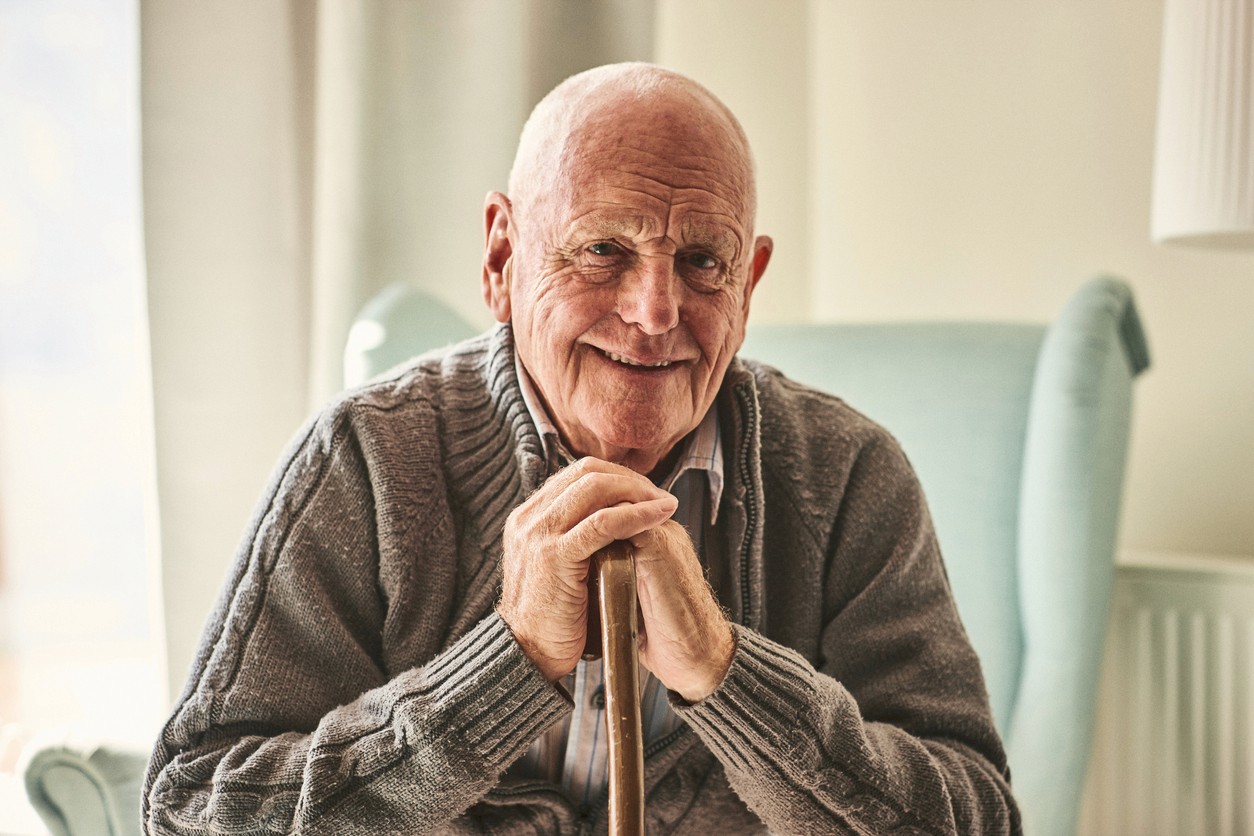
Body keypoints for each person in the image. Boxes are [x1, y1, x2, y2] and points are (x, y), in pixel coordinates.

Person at [143, 63, 1019, 834]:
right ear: (501, 257)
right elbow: (191, 810)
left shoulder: (851, 476)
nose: (655, 313)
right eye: (604, 250)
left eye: (704, 263)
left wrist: (726, 674)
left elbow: (978, 816)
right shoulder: (367, 459)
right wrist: (504, 665)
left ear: (749, 284)